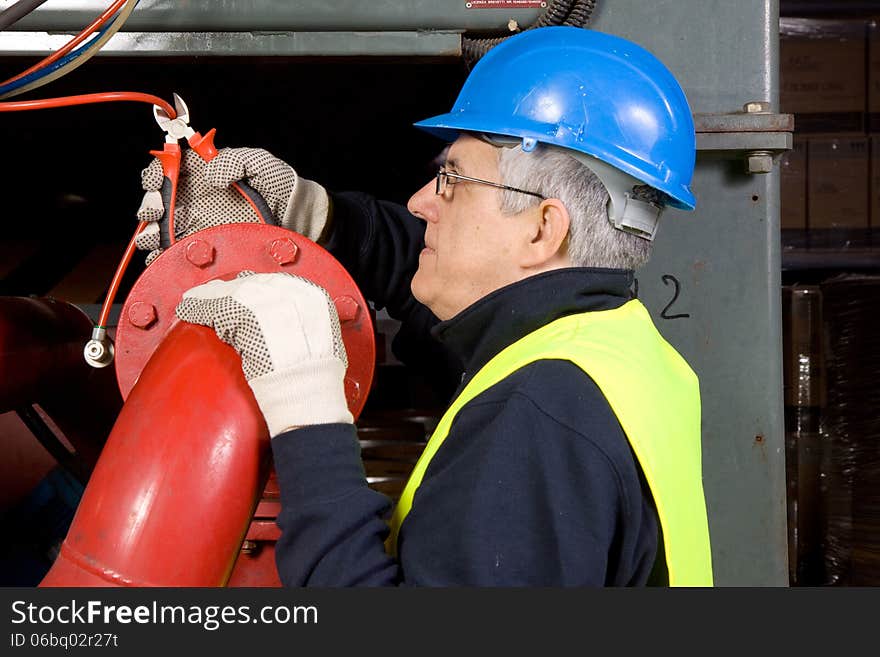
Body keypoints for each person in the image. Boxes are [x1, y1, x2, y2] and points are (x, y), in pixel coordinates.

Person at [135, 26, 713, 586]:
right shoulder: (608, 349)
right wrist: (311, 217)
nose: (418, 202)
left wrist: (305, 410)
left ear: (542, 229)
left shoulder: (537, 414)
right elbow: (443, 306)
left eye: (452, 180)